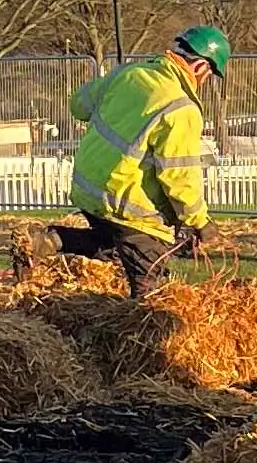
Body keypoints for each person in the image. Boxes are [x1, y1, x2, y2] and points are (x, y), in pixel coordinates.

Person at [62, 26, 227, 297]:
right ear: (199, 67)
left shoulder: (128, 74)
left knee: (111, 245)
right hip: (127, 202)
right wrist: (200, 222)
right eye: (210, 75)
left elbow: (78, 107)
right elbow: (179, 177)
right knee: (151, 286)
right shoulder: (181, 107)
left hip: (88, 189)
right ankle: (140, 334)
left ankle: (50, 241)